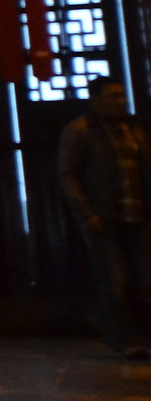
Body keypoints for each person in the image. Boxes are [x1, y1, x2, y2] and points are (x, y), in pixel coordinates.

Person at [59, 77, 151, 357]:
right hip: (104, 217)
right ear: (96, 100)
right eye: (113, 96)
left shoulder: (132, 129)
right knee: (115, 279)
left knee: (143, 279)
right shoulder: (81, 130)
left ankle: (122, 327)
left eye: (122, 95)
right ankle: (125, 339)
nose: (120, 101)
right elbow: (68, 174)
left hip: (137, 214)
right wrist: (86, 213)